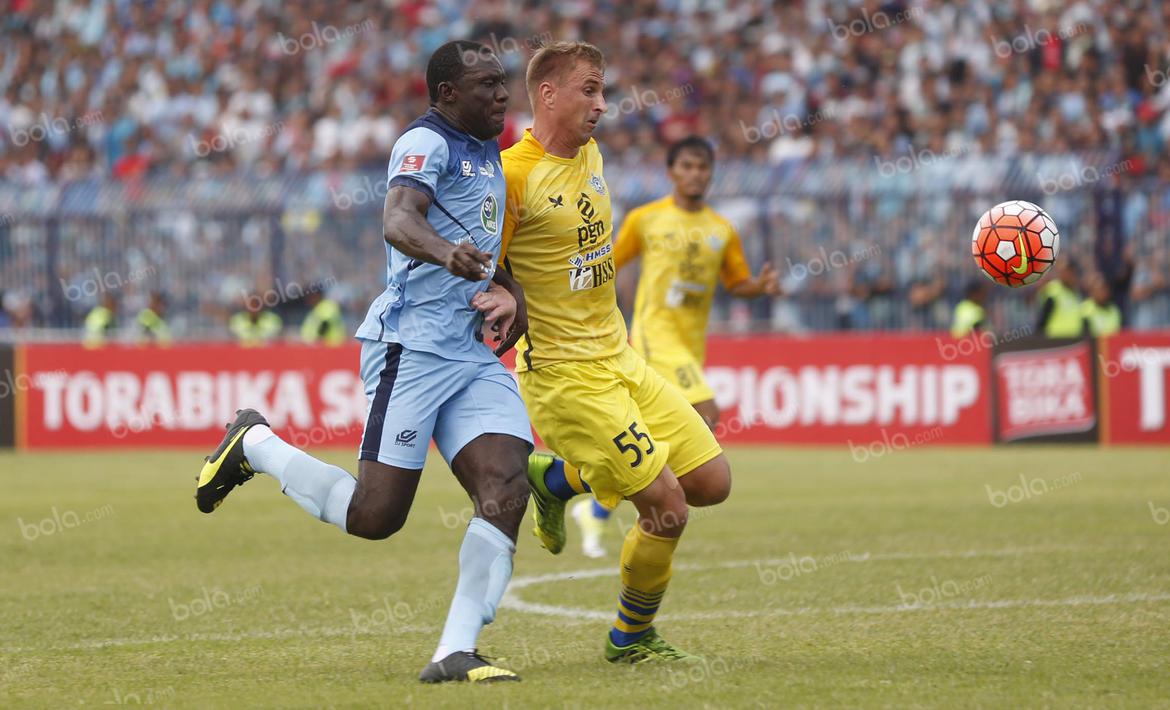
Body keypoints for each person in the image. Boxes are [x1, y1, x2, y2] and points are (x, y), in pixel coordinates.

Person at [193, 40, 534, 683]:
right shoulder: (424, 142)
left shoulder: (490, 149)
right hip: (412, 347)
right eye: (486, 84)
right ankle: (256, 443)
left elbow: (490, 242)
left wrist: (510, 296)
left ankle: (454, 651)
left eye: (503, 82)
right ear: (446, 94)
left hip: (470, 352)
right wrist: (444, 254)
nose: (500, 94)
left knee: (506, 485)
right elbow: (399, 220)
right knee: (375, 517)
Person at [503, 41, 732, 663]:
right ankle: (630, 639)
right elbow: (484, 274)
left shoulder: (591, 153)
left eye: (603, 91)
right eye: (590, 91)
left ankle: (554, 479)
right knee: (667, 507)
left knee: (712, 481)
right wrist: (498, 306)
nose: (602, 105)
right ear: (547, 95)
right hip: (565, 376)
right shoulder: (511, 180)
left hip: (621, 357)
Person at [568, 135, 780, 559]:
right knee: (706, 414)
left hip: (688, 345)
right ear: (671, 172)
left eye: (702, 167)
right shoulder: (647, 219)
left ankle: (592, 501)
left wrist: (756, 287)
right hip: (653, 336)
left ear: (710, 173)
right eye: (686, 166)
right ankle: (638, 502)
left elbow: (736, 283)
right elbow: (608, 262)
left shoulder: (722, 230)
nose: (694, 174)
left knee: (649, 433)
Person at [1036, 262, 1083, 338]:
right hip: (1056, 339)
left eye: (1073, 274)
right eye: (1065, 273)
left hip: (1074, 339)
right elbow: (1043, 317)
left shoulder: (1076, 293)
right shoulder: (1053, 291)